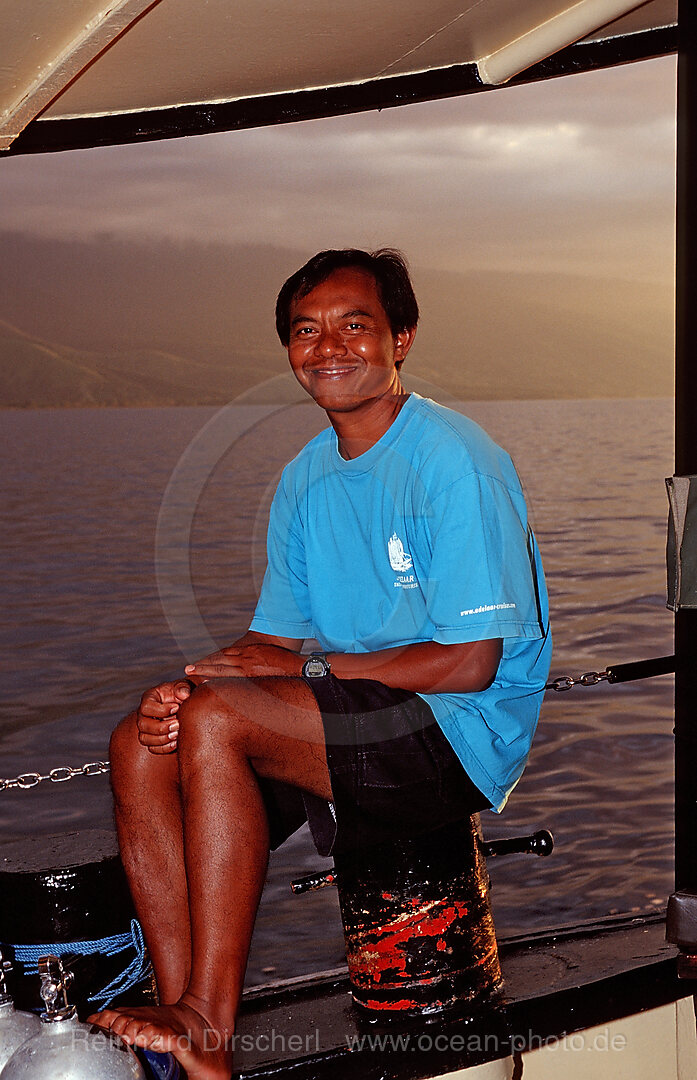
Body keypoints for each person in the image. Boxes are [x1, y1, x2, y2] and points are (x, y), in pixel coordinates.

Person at [89, 249, 552, 1078]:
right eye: (306, 330)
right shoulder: (304, 478)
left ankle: (208, 1019)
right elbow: (274, 642)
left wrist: (293, 680)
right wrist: (188, 684)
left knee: (221, 721)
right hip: (355, 709)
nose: (327, 346)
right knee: (142, 740)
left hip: (457, 735)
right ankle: (179, 1007)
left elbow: (471, 661)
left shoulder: (455, 460)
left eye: (354, 325)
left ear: (400, 337)